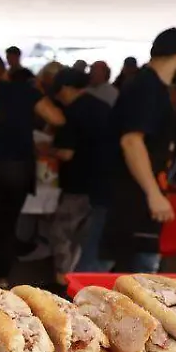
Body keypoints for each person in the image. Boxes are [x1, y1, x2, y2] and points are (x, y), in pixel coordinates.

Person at [99, 28, 176, 273]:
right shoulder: (146, 87)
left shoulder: (151, 85)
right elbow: (131, 141)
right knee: (104, 264)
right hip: (127, 193)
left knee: (134, 263)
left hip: (135, 191)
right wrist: (153, 194)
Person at [0, 55, 64, 288]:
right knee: (9, 225)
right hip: (19, 169)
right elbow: (57, 118)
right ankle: (4, 278)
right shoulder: (25, 93)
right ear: (5, 70)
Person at [48, 69, 113, 289]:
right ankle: (80, 278)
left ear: (65, 89)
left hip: (77, 182)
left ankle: (62, 281)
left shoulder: (72, 112)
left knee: (62, 233)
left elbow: (66, 152)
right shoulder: (103, 106)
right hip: (102, 180)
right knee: (85, 237)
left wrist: (47, 149)